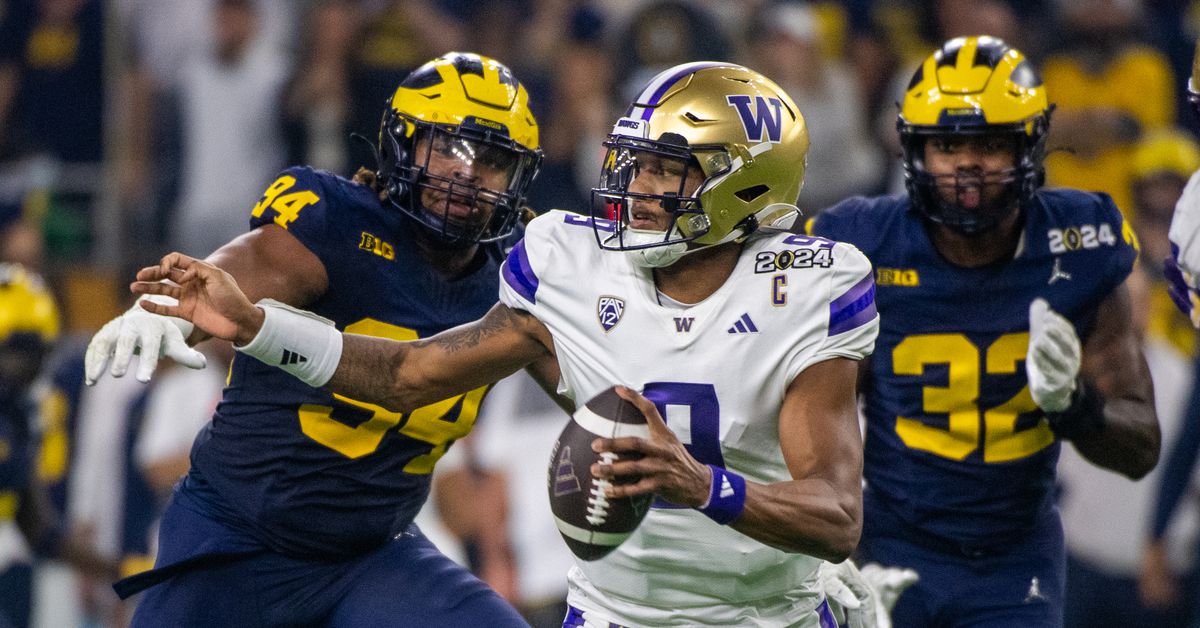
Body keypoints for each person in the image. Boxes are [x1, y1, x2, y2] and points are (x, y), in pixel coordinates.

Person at [127, 61, 879, 627]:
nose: (637, 188)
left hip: (375, 551)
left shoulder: (803, 288)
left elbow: (834, 511)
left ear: (746, 188)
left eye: (666, 170)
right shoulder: (561, 263)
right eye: (638, 163)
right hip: (241, 537)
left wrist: (760, 523)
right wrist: (239, 320)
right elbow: (404, 369)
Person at [83, 52, 541, 626]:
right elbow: (239, 276)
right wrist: (170, 315)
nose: (467, 174)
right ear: (402, 143)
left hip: (372, 558)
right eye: (448, 147)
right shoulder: (337, 221)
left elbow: (593, 391)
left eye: (493, 160)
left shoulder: (521, 279)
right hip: (239, 540)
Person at [805, 36, 1160, 627]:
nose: (968, 164)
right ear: (915, 150)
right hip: (889, 542)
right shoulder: (863, 247)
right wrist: (820, 542)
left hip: (1015, 559)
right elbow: (810, 412)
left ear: (1030, 146)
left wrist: (1073, 405)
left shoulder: (1080, 242)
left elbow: (1141, 448)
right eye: (948, 144)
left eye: (991, 143)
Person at [0, 263, 116, 628]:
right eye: (14, 354)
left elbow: (36, 527)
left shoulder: (19, 415)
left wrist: (119, 567)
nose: (25, 369)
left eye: (33, 355)